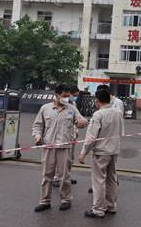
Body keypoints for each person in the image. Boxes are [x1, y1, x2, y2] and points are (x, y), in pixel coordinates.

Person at [32, 84, 87, 212]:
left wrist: (82, 122)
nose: (67, 98)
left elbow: (82, 121)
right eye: (64, 96)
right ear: (56, 95)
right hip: (49, 146)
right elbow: (38, 125)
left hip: (65, 146)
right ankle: (45, 201)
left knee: (64, 175)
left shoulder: (72, 109)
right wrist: (38, 136)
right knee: (47, 175)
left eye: (68, 96)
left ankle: (66, 199)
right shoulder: (45, 109)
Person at [78, 89, 124, 218]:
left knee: (98, 181)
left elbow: (91, 137)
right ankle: (111, 205)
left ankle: (98, 209)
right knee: (111, 179)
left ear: (97, 101)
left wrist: (83, 152)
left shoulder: (98, 115)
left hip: (101, 152)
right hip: (114, 150)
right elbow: (121, 131)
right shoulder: (118, 113)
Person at [52, 85, 81, 187]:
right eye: (74, 95)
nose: (74, 97)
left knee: (69, 158)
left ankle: (66, 176)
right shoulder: (53, 104)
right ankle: (56, 177)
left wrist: (76, 130)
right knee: (58, 158)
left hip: (71, 135)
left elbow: (76, 118)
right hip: (59, 136)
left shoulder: (73, 104)